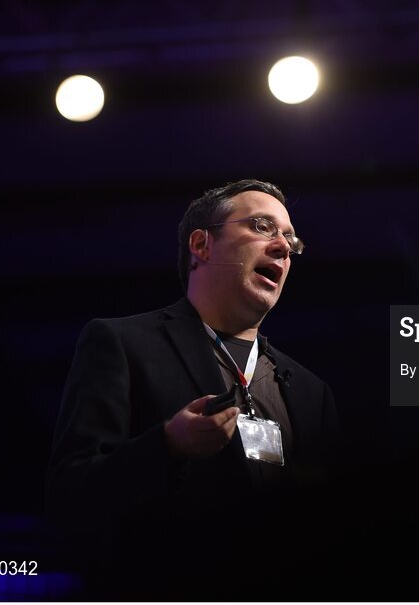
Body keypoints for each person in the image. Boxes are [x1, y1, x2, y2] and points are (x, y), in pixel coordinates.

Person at [45, 178, 341, 598]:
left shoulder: (313, 393)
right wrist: (167, 447)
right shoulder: (123, 344)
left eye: (290, 239)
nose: (282, 246)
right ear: (201, 245)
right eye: (262, 226)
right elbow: (69, 501)